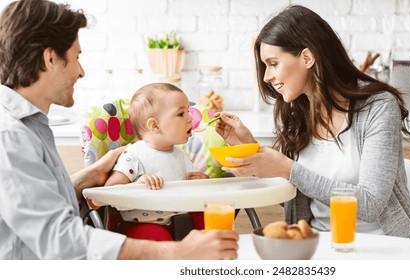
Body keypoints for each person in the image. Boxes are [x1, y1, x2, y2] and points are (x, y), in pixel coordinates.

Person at [0, 0, 238, 260]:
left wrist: (85, 179)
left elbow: (41, 206)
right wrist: (179, 251)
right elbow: (60, 240)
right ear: (50, 58)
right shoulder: (10, 136)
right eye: (76, 57)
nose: (81, 72)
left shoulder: (28, 127)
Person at [214, 4, 410, 241]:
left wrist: (290, 170)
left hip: (386, 247)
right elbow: (296, 203)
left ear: (307, 57)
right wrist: (252, 151)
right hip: (319, 248)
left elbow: (371, 205)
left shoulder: (377, 107)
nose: (266, 76)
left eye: (273, 63)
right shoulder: (298, 114)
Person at [104, 83, 208, 240]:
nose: (190, 118)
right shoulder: (134, 154)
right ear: (154, 125)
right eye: (181, 114)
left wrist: (201, 183)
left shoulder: (181, 155)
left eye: (188, 111)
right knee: (158, 240)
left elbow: (191, 191)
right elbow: (109, 191)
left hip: (182, 219)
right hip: (143, 224)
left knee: (213, 219)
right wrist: (138, 185)